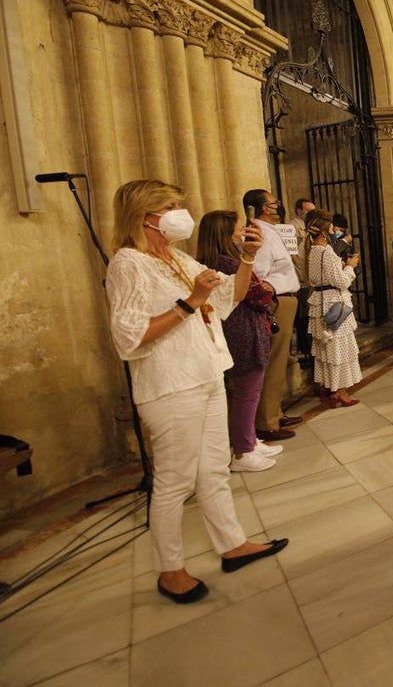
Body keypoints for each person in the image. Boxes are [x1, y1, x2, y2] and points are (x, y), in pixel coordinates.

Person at [106, 180, 288, 604]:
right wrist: (190, 301)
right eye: (169, 206)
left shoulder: (177, 257)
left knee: (213, 468)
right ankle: (170, 570)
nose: (178, 213)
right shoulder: (129, 264)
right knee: (174, 481)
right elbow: (129, 337)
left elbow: (230, 297)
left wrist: (246, 257)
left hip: (206, 374)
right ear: (145, 215)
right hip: (170, 385)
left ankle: (232, 544)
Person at [196, 210, 282, 472]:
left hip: (240, 327)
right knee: (247, 390)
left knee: (248, 390)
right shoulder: (228, 262)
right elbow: (257, 295)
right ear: (225, 233)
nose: (244, 230)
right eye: (239, 227)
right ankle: (243, 451)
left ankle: (249, 441)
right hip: (243, 329)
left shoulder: (220, 260)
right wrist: (265, 289)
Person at [242, 189, 302, 441]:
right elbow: (259, 274)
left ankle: (275, 412)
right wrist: (273, 294)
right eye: (275, 203)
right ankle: (266, 422)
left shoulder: (269, 231)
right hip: (276, 301)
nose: (279, 207)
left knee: (279, 361)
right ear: (265, 208)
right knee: (273, 362)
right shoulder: (259, 233)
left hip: (284, 299)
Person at [305, 209, 362, 408]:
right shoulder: (326, 251)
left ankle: (327, 387)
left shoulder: (312, 250)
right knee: (338, 349)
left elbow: (315, 278)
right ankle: (339, 391)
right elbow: (340, 281)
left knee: (326, 350)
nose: (333, 229)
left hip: (321, 300)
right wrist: (350, 266)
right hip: (334, 303)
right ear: (324, 228)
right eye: (330, 225)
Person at [291, 197, 316, 368]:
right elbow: (296, 256)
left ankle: (308, 347)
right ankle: (305, 348)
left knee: (307, 315)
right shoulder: (292, 227)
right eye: (309, 211)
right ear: (299, 211)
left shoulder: (308, 228)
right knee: (302, 317)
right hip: (300, 277)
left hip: (308, 277)